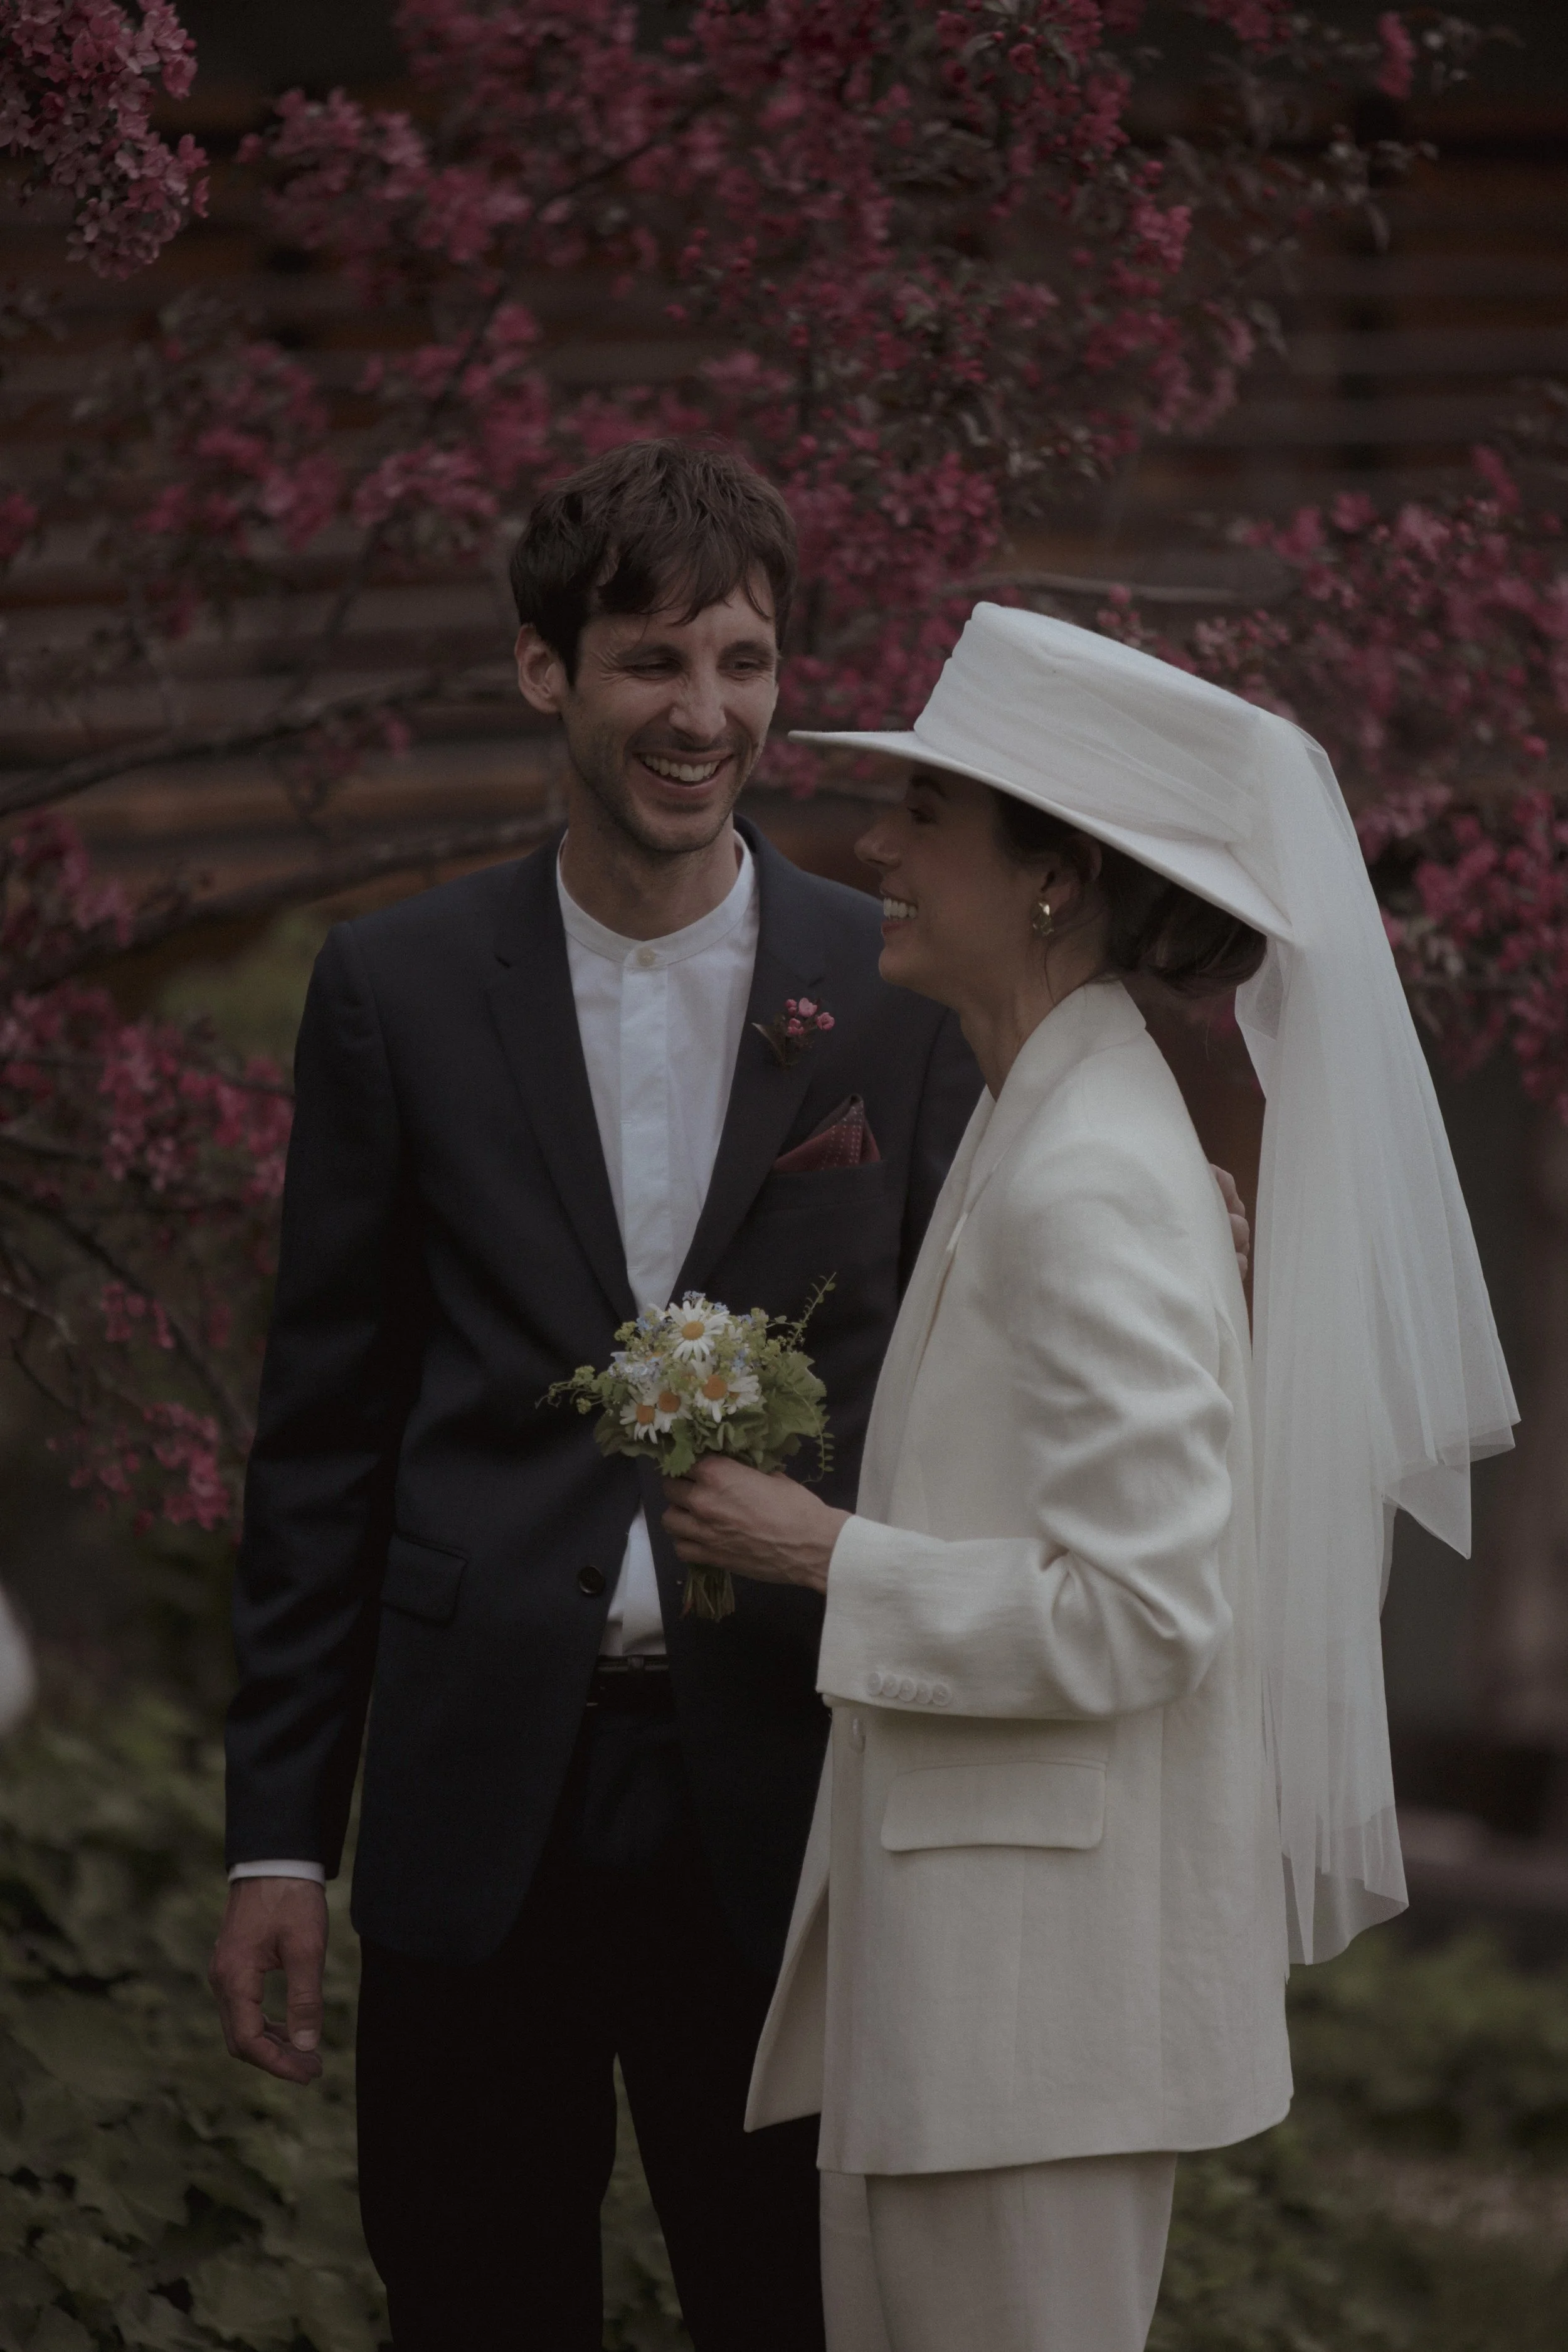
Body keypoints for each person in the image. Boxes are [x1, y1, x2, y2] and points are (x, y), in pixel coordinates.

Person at [660, 603, 1517, 2352]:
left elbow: (1142, 1610)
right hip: (970, 1991)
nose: (873, 848)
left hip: (1033, 2018)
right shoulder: (1052, 1118)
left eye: (924, 819)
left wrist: (828, 1550)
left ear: (1055, 877)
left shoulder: (1092, 1173)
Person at [208, 440, 982, 2351]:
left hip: (790, 1785)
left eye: (742, 659)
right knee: (471, 2302)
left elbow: (981, 1354)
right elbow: (325, 1431)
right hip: (486, 1796)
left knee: (793, 2305)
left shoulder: (892, 985)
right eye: (650, 661)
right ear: (546, 671)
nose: (702, 714)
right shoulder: (392, 987)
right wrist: (280, 1835)